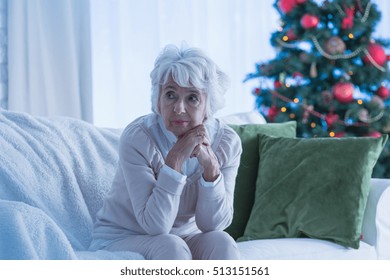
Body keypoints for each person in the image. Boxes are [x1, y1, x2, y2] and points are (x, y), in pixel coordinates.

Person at [89, 44, 242, 260]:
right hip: (124, 237)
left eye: (192, 98)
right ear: (158, 100)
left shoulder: (227, 143)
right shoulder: (139, 138)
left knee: (222, 242)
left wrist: (210, 167)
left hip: (185, 239)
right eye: (170, 95)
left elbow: (213, 224)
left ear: (209, 104)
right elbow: (155, 225)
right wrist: (175, 160)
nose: (179, 108)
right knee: (169, 245)